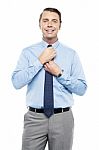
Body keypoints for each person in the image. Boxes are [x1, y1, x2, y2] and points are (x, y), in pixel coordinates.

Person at [11, 7, 87, 150]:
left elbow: (82, 88)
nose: (50, 24)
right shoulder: (27, 53)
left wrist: (60, 73)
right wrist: (39, 61)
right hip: (34, 118)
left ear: (60, 25)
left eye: (54, 21)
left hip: (62, 118)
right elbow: (16, 82)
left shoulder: (71, 54)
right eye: (45, 20)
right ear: (39, 24)